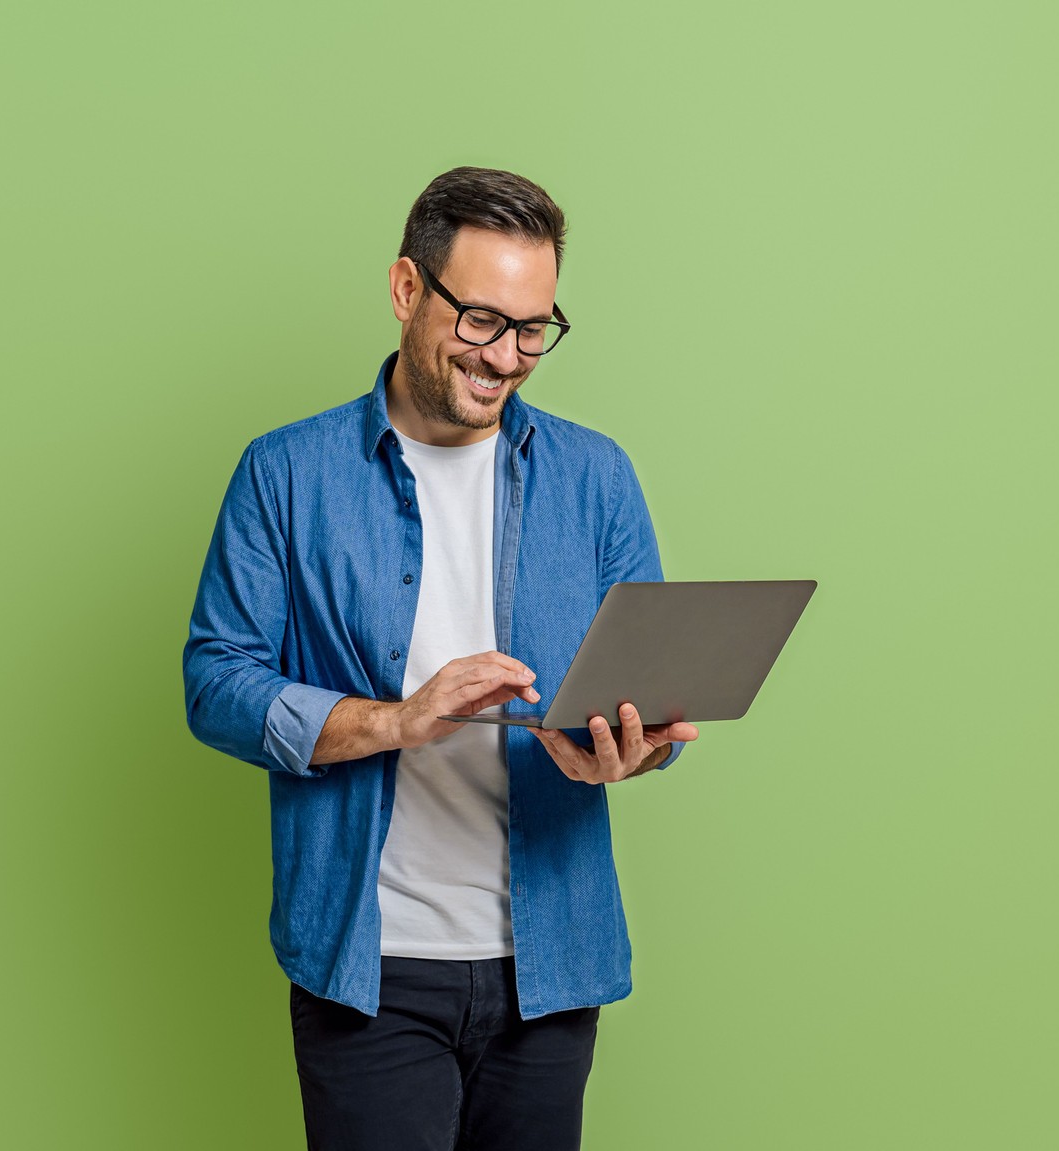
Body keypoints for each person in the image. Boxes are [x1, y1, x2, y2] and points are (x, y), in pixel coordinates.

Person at [183, 166, 698, 1150]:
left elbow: (651, 692)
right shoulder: (286, 474)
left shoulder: (598, 477)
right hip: (371, 966)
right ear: (407, 290)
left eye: (534, 327)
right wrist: (393, 721)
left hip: (550, 967)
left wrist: (633, 748)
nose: (507, 356)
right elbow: (216, 680)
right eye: (482, 320)